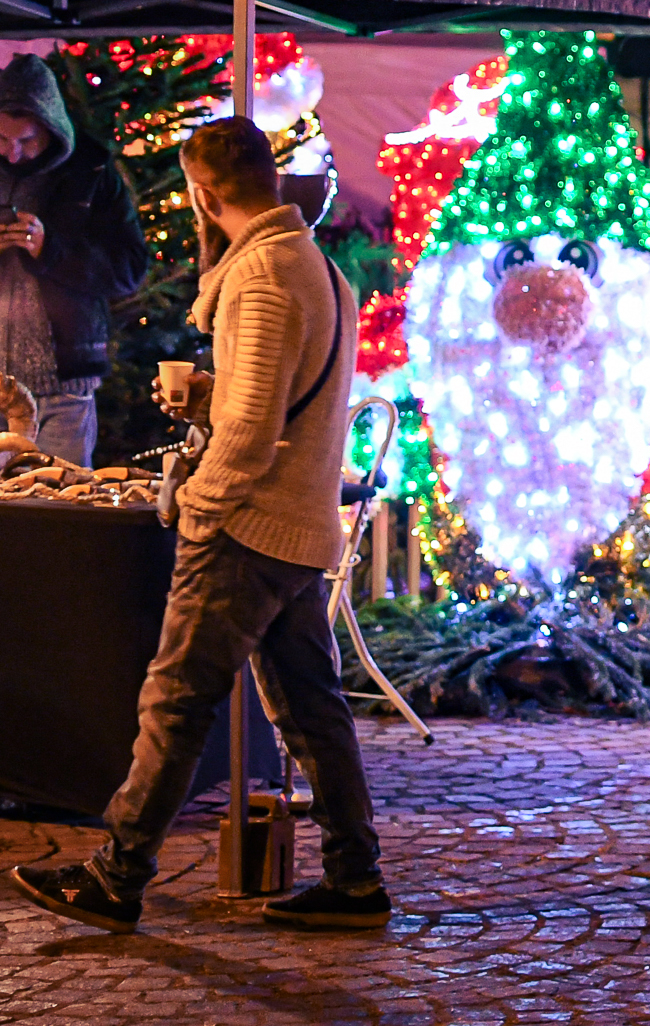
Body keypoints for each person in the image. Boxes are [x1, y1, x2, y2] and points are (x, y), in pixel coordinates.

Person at [6, 118, 384, 935]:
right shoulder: (313, 264)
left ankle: (117, 875)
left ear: (203, 194)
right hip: (296, 527)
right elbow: (280, 403)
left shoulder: (261, 276)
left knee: (174, 702)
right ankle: (356, 880)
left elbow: (249, 435)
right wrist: (216, 397)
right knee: (313, 712)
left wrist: (198, 505)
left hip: (247, 530)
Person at [0, 55, 147, 466]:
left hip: (63, 388)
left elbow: (129, 268)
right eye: (1, 139)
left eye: (26, 141)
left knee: (59, 514)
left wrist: (50, 251)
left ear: (51, 127)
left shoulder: (92, 173)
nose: (13, 154)